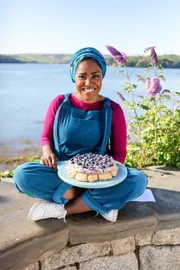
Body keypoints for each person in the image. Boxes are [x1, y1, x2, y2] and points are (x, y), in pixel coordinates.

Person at [13, 47, 148, 223]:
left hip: (98, 177)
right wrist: (47, 152)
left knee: (138, 181)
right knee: (22, 175)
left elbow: (119, 153)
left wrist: (103, 179)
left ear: (102, 76)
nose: (89, 82)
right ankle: (98, 203)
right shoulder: (59, 103)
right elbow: (46, 138)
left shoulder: (113, 110)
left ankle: (63, 210)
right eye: (82, 76)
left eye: (95, 76)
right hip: (60, 172)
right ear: (73, 77)